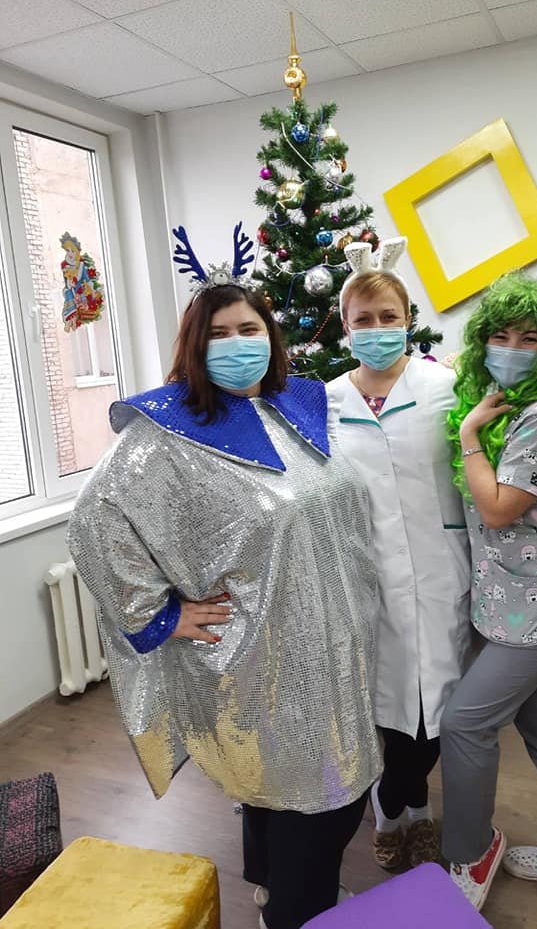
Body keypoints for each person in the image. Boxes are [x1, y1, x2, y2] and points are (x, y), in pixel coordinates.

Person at [66, 223, 381, 929]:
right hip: (262, 654)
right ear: (194, 346)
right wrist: (160, 614)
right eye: (219, 333)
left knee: (285, 786)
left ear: (271, 336)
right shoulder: (169, 431)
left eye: (249, 329)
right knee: (316, 799)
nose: (238, 343)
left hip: (337, 641)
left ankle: (277, 894)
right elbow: (95, 520)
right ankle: (297, 911)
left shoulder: (297, 408)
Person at [327, 241, 537, 872]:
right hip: (371, 579)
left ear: (408, 319)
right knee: (389, 709)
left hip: (451, 574)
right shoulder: (325, 402)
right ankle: (394, 813)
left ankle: (419, 809)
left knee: (443, 711)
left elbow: (501, 467)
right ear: (345, 327)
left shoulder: (448, 387)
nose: (377, 330)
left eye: (389, 317)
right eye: (363, 320)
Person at [440, 272, 537, 911]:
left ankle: (472, 850)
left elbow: (499, 507)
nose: (511, 348)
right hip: (511, 605)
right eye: (500, 336)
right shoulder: (499, 404)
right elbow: (530, 500)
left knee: (465, 723)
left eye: (528, 338)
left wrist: (468, 438)